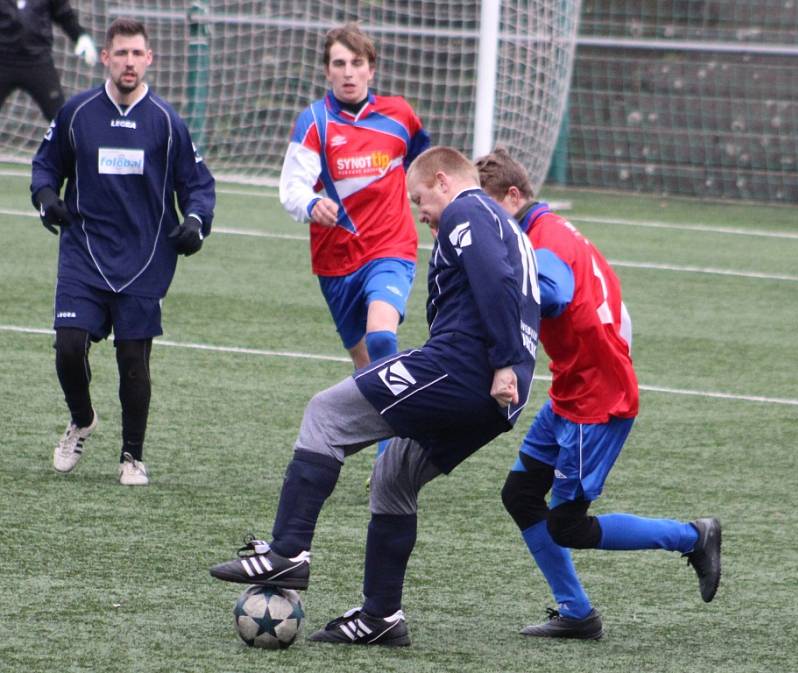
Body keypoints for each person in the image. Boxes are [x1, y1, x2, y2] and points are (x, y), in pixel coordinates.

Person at [210, 147, 541, 647]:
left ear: (443, 181)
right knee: (394, 475)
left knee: (325, 413)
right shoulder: (508, 225)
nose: (420, 211)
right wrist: (509, 366)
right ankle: (381, 615)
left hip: (464, 369)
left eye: (420, 199)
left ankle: (288, 551)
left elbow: (494, 282)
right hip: (499, 397)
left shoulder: (468, 209)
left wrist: (500, 362)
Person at [474, 147, 721, 640]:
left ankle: (694, 537)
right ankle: (577, 613)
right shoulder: (553, 229)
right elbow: (612, 306)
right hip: (576, 384)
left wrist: (501, 302)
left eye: (485, 211)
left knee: (568, 524)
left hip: (596, 399)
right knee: (521, 494)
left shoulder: (543, 243)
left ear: (514, 197)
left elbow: (554, 292)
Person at [30, 17, 215, 486]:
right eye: (121, 53)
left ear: (149, 58)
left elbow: (197, 186)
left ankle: (132, 456)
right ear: (106, 57)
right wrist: (47, 198)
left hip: (144, 257)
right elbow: (45, 166)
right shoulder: (77, 112)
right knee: (69, 347)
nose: (129, 62)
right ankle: (82, 417)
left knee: (134, 361)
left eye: (137, 53)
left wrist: (195, 221)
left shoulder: (168, 123)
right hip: (84, 251)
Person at [279, 23, 429, 464]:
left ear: (371, 69)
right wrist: (311, 204)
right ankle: (394, 424)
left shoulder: (399, 115)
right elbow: (291, 188)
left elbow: (424, 163)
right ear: (327, 72)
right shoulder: (315, 123)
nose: (348, 72)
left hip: (391, 249)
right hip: (336, 262)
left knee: (382, 338)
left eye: (357, 64)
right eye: (339, 64)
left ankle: (392, 454)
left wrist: (437, 206)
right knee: (367, 369)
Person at [1, 0, 98, 121]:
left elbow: (64, 14)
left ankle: (70, 139)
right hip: (4, 62)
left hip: (38, 62)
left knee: (60, 117)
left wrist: (81, 37)